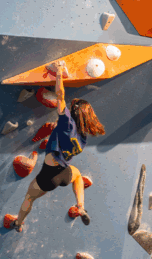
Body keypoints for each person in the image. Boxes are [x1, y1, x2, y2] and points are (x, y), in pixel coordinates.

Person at [8, 60, 106, 232]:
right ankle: (80, 206)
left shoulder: (67, 124)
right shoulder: (82, 137)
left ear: (73, 113)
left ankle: (18, 223)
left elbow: (60, 96)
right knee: (77, 175)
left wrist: (59, 72)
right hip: (63, 174)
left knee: (29, 198)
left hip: (48, 176)